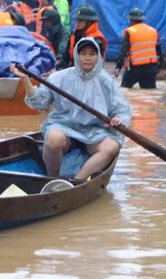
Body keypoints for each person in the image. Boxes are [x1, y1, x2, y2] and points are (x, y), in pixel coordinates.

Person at [10, 38, 131, 180]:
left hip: (94, 133)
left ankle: (76, 182)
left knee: (111, 147)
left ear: (98, 57)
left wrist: (119, 120)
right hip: (66, 129)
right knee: (54, 139)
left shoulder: (106, 82)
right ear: (76, 55)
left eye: (92, 54)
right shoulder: (59, 78)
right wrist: (26, 80)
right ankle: (52, 180)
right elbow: (40, 103)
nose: (87, 58)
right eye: (83, 53)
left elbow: (121, 110)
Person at [114, 8, 163, 89]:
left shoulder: (130, 32)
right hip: (150, 68)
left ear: (131, 20)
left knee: (124, 89)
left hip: (134, 69)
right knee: (149, 94)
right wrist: (158, 67)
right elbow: (159, 52)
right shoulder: (153, 31)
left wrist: (118, 67)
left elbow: (123, 51)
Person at [59, 4, 107, 69]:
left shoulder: (97, 40)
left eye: (81, 20)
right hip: (72, 71)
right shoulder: (74, 34)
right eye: (78, 20)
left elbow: (93, 65)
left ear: (89, 22)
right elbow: (66, 56)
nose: (78, 23)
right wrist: (60, 68)